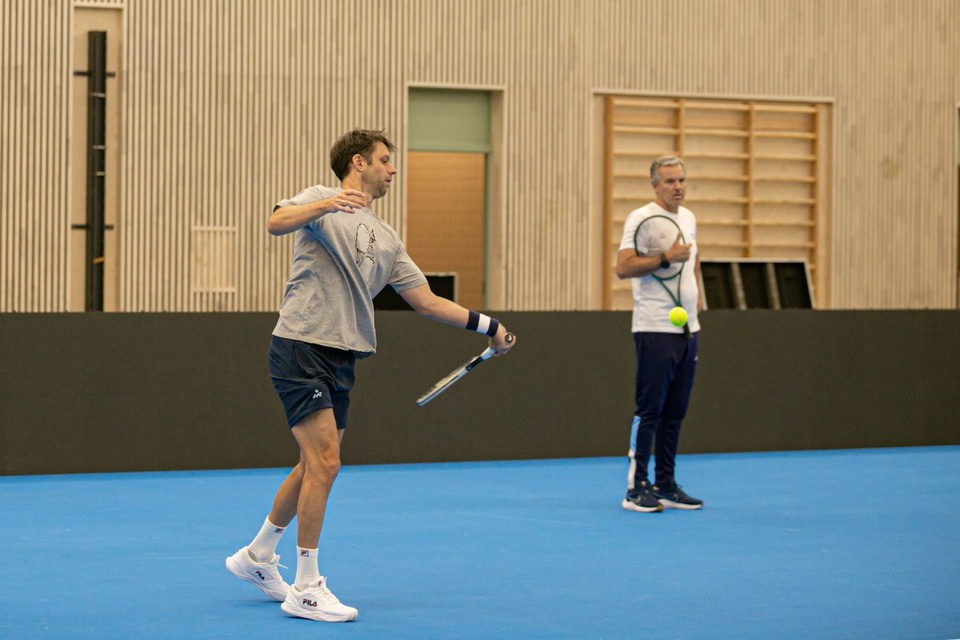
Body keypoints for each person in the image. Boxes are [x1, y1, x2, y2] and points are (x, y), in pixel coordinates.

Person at [225, 129, 515, 622]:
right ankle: (307, 586)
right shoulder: (320, 199)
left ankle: (256, 556)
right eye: (385, 160)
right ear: (358, 163)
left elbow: (425, 302)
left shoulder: (388, 238)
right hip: (301, 344)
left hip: (343, 356)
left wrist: (489, 326)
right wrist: (325, 206)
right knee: (326, 463)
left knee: (312, 465)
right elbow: (276, 222)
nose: (393, 169)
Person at [615, 155, 704, 513]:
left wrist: (695, 311)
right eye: (669, 181)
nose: (678, 186)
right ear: (655, 185)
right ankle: (636, 489)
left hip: (688, 330)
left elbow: (692, 264)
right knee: (649, 411)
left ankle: (665, 484)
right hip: (654, 327)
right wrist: (666, 258)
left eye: (681, 180)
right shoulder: (640, 218)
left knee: (676, 412)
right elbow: (623, 268)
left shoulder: (689, 217)